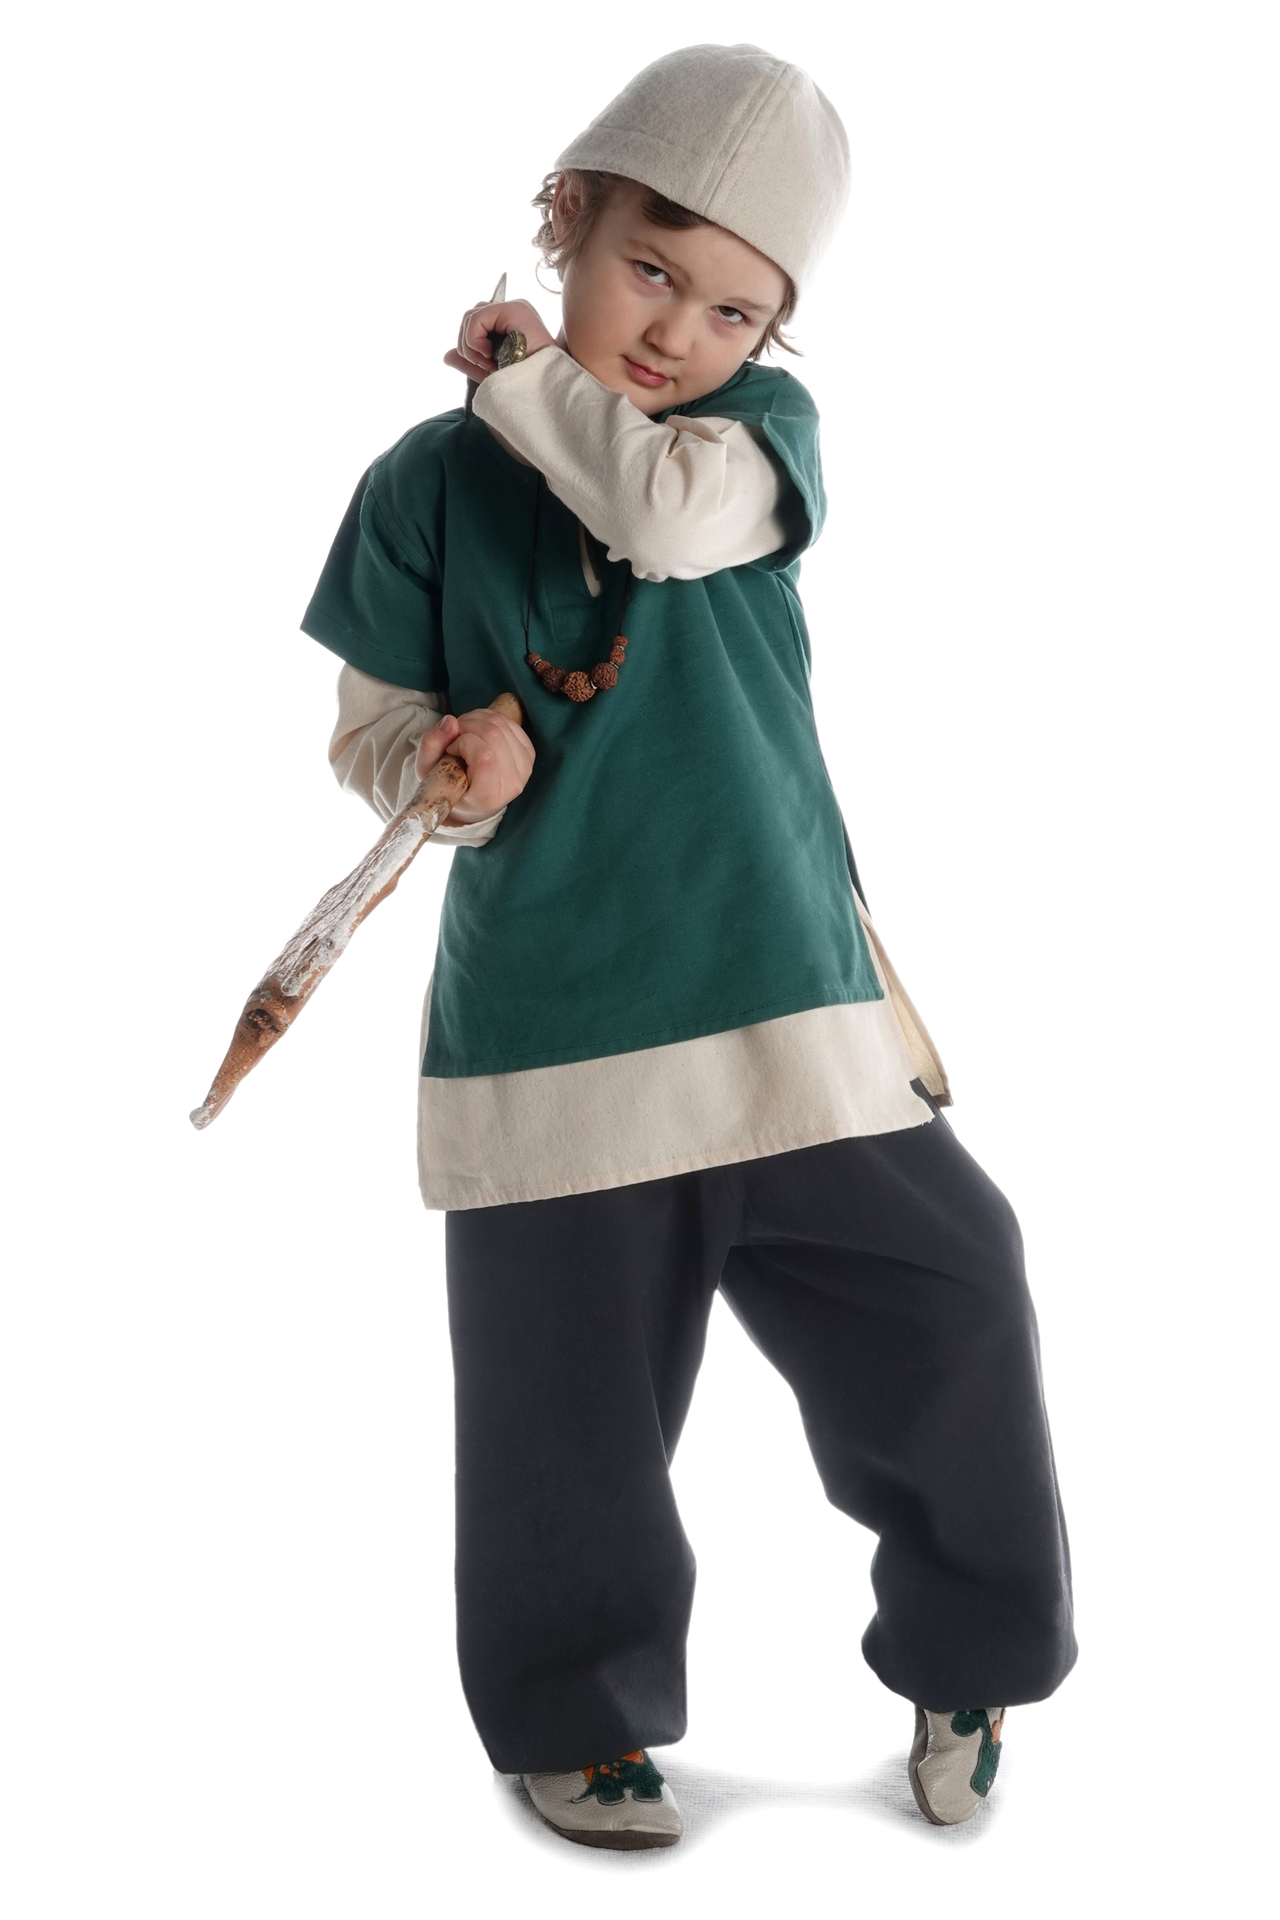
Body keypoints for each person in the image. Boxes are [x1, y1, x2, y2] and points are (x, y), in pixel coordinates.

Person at [300, 43, 1076, 1849]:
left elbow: (655, 515)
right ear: (566, 220)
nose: (677, 332)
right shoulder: (423, 487)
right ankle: (574, 1719)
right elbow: (369, 727)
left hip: (785, 1002)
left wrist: (528, 381)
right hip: (553, 1031)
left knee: (957, 1292)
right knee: (560, 1410)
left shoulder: (755, 445)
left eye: (736, 307)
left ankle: (967, 1662)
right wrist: (439, 768)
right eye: (649, 268)